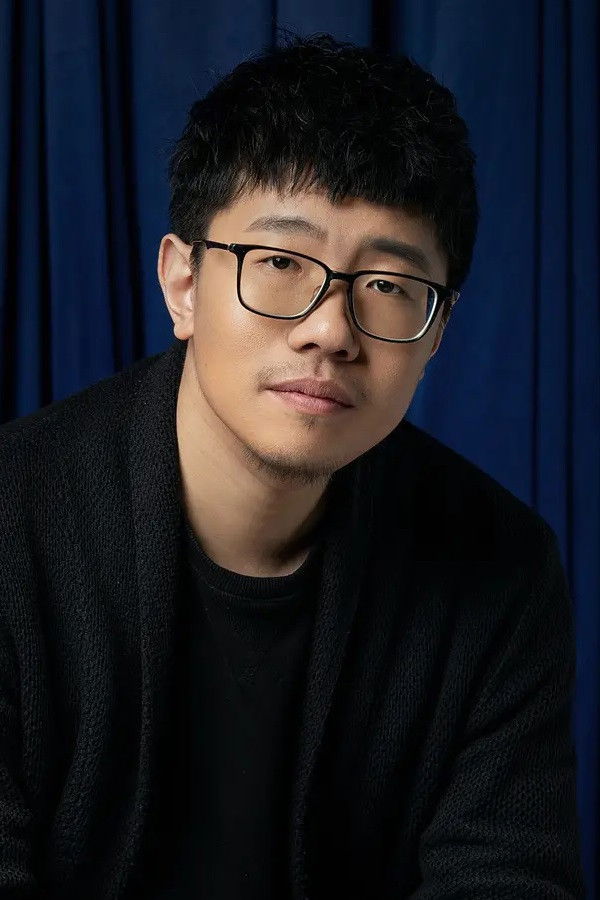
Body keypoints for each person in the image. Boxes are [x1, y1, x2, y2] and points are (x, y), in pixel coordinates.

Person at [0, 31, 585, 900]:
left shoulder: (503, 568)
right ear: (183, 284)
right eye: (279, 263)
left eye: (389, 286)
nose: (330, 330)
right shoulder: (14, 522)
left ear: (437, 337)